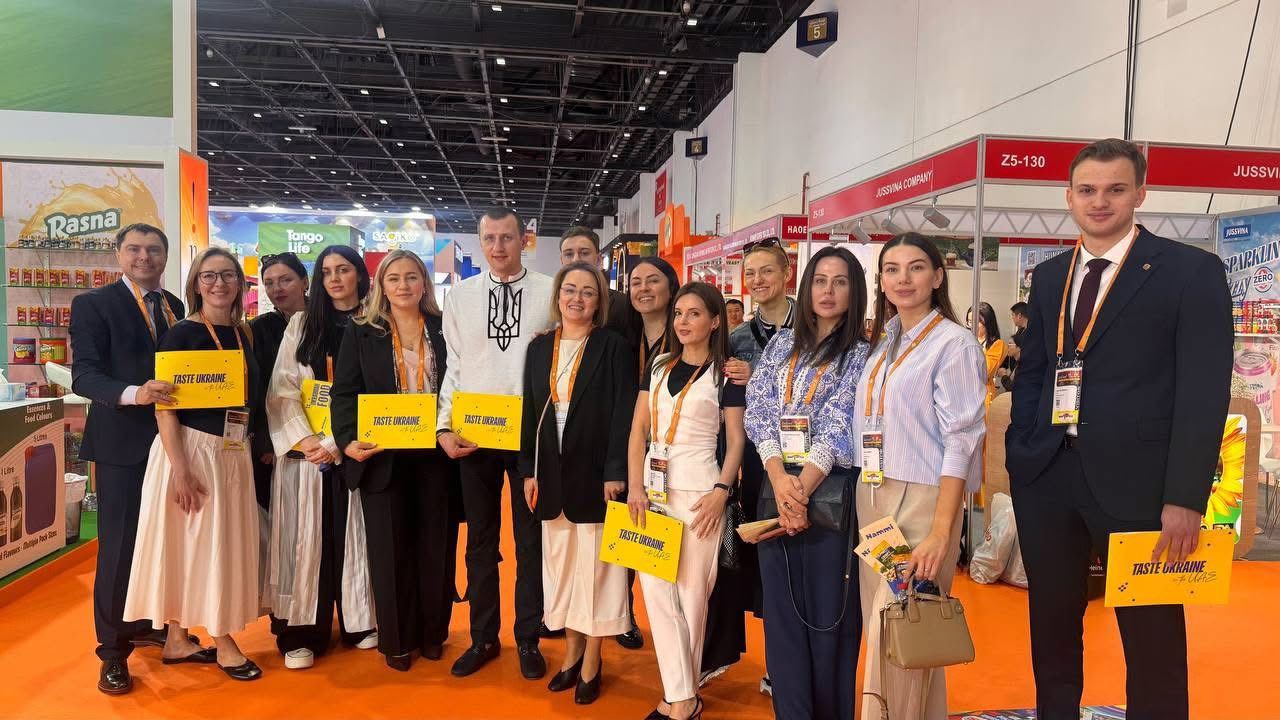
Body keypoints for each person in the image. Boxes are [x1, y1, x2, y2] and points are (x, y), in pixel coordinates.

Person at [1006, 138, 1232, 720]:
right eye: (1087, 190)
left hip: (1143, 486)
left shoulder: (1190, 271)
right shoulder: (1051, 276)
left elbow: (1204, 391)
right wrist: (1021, 450)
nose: (1099, 201)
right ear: (1069, 197)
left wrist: (1186, 496)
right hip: (1048, 476)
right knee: (1052, 625)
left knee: (1152, 636)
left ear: (1140, 194)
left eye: (1115, 189)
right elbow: (1034, 372)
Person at [853, 233, 987, 720]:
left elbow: (962, 440)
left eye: (915, 268)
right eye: (891, 269)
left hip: (924, 497)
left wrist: (941, 531)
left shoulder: (954, 344)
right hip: (873, 493)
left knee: (902, 624)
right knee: (894, 631)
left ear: (937, 276)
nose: (903, 279)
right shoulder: (886, 339)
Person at [123, 247, 265, 682]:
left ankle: (177, 639)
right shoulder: (181, 335)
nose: (219, 283)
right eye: (209, 276)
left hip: (231, 450)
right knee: (203, 545)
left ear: (239, 282)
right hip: (192, 451)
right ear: (196, 284)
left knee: (194, 545)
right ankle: (223, 641)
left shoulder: (242, 333)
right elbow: (166, 409)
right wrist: (180, 469)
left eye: (227, 275)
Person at [744, 245, 869, 719]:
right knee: (782, 619)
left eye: (840, 282)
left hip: (829, 496)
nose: (828, 291)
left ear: (855, 291)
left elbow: (841, 421)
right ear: (806, 286)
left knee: (828, 617)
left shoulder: (860, 353)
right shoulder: (782, 345)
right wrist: (779, 478)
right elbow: (759, 409)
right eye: (820, 280)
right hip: (776, 489)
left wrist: (801, 489)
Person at [436, 208, 555, 680]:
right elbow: (454, 364)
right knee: (480, 542)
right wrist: (443, 427)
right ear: (480, 241)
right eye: (490, 238)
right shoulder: (461, 296)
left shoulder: (550, 290)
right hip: (476, 432)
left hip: (530, 434)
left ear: (525, 239)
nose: (498, 246)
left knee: (530, 541)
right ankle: (483, 636)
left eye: (507, 237)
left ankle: (528, 636)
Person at [70, 223, 187, 695]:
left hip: (174, 443)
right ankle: (113, 652)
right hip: (122, 445)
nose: (144, 257)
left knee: (163, 541)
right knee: (119, 549)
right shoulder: (94, 304)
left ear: (165, 256)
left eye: (153, 250)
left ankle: (147, 623)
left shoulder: (174, 305)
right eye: (134, 249)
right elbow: (85, 377)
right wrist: (136, 393)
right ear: (118, 254)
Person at [331, 249, 456, 671]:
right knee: (389, 551)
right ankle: (398, 640)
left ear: (424, 283)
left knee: (435, 548)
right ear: (381, 286)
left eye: (411, 277)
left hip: (435, 454)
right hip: (382, 454)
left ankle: (433, 633)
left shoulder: (444, 328)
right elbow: (343, 392)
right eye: (394, 278)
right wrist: (346, 441)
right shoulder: (361, 331)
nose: (403, 285)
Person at [519, 262, 638, 704]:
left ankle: (592, 658)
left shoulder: (613, 347)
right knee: (562, 570)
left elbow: (624, 413)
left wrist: (616, 470)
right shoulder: (539, 349)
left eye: (588, 292)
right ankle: (570, 651)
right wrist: (528, 470)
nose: (577, 298)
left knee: (598, 571)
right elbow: (529, 412)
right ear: (558, 296)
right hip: (550, 475)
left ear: (599, 301)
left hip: (596, 476)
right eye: (570, 289)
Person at [627, 282, 746, 720]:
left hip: (700, 493)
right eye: (679, 313)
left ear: (715, 321)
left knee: (692, 596)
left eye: (694, 313)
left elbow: (736, 440)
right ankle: (684, 695)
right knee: (656, 593)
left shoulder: (725, 374)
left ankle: (680, 698)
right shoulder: (659, 365)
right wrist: (635, 485)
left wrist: (721, 492)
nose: (683, 321)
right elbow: (638, 431)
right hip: (652, 490)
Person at [262, 245, 376, 670]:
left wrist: (339, 440)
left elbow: (381, 392)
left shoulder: (377, 323)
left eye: (343, 270)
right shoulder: (302, 324)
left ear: (360, 275)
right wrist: (310, 439)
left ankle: (359, 621)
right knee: (303, 540)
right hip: (305, 455)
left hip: (356, 450)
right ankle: (301, 632)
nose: (335, 279)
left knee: (354, 538)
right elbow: (282, 389)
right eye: (327, 272)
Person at [708, 238, 797, 693]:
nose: (758, 280)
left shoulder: (812, 328)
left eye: (767, 271)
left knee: (801, 563)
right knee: (765, 565)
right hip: (757, 467)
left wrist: (758, 374)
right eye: (750, 273)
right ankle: (775, 663)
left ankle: (794, 664)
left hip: (809, 463)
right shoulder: (737, 338)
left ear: (786, 273)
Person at [250, 252, 308, 510]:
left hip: (323, 433)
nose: (277, 289)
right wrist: (267, 441)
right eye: (269, 283)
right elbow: (260, 387)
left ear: (305, 282)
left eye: (285, 280)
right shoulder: (258, 329)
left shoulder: (327, 321)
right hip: (276, 439)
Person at [559, 226, 641, 340]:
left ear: (599, 260)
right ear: (561, 260)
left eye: (584, 253)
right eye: (569, 254)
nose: (576, 260)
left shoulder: (623, 305)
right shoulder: (552, 303)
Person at [966, 301, 1006, 406]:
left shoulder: (997, 344)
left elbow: (985, 372)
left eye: (976, 322)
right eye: (969, 322)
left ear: (988, 322)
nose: (972, 326)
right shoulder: (964, 341)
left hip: (984, 398)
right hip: (965, 396)